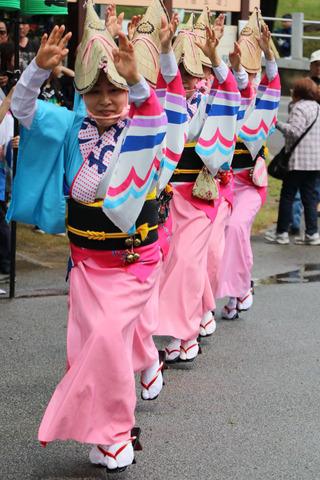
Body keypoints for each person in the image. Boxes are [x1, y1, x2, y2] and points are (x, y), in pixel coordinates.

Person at [8, 1, 185, 472]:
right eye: (95, 91)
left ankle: (113, 434)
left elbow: (168, 120)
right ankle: (146, 362)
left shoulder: (148, 126)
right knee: (98, 346)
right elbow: (23, 112)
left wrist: (147, 80)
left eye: (115, 89)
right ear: (82, 93)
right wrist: (35, 73)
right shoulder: (71, 127)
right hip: (86, 265)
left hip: (134, 262)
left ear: (129, 90)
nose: (106, 99)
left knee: (107, 339)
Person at [156, 18, 241, 361]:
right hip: (166, 198)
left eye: (196, 73)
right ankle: (196, 315)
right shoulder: (163, 104)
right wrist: (162, 49)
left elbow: (235, 94)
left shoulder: (210, 102)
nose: (189, 80)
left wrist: (217, 59)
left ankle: (183, 334)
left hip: (201, 197)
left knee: (190, 265)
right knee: (173, 265)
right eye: (182, 73)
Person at [216, 23, 281, 319]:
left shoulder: (265, 104)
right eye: (246, 73)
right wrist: (235, 65)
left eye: (254, 74)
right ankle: (240, 288)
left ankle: (240, 288)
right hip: (224, 184)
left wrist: (268, 52)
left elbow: (269, 82)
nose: (249, 79)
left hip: (251, 185)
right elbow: (238, 84)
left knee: (237, 228)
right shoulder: (232, 99)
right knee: (219, 236)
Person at [265, 77, 320, 246]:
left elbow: (295, 132)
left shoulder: (298, 108)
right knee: (309, 197)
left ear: (299, 92)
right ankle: (312, 234)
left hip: (298, 161)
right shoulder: (317, 107)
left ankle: (281, 233)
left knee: (287, 195)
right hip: (315, 161)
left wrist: (276, 124)